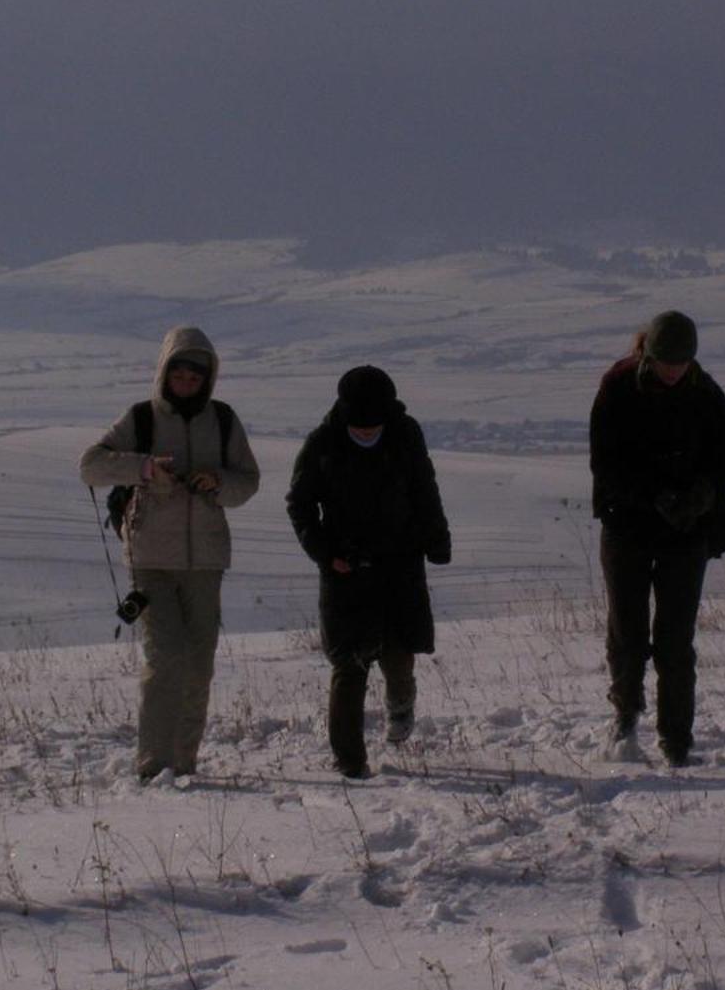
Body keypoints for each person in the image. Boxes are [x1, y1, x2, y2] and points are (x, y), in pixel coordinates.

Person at [78, 325, 261, 781]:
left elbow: (247, 482)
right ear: (164, 372)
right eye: (178, 372)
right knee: (166, 658)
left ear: (207, 378)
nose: (185, 381)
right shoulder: (141, 418)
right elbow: (91, 466)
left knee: (198, 662)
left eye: (194, 375)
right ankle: (152, 764)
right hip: (150, 559)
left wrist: (216, 482)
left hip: (205, 561)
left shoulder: (223, 421)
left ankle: (183, 764)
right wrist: (142, 468)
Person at [286, 366, 452, 779]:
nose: (364, 432)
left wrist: (437, 539)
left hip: (400, 562)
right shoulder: (322, 444)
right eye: (357, 426)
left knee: (399, 652)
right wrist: (325, 553)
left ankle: (400, 704)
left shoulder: (405, 435)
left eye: (372, 425)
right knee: (349, 663)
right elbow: (300, 506)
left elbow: (424, 488)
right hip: (345, 570)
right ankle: (350, 762)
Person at [589, 310, 725, 766]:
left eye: (682, 363)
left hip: (685, 534)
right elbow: (605, 465)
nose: (673, 372)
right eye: (665, 363)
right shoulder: (617, 388)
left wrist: (699, 499)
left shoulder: (707, 395)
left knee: (676, 638)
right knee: (627, 633)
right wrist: (654, 497)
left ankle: (676, 738)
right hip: (627, 527)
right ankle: (626, 717)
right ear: (647, 355)